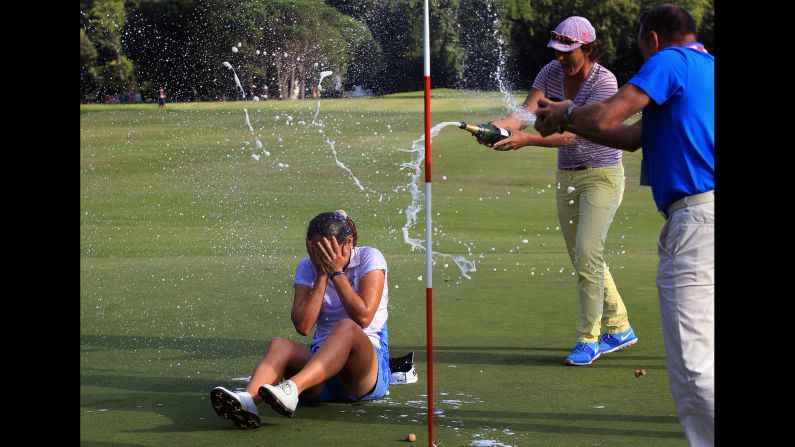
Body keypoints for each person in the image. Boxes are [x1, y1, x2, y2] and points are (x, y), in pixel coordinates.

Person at [534, 4, 713, 446]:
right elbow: (633, 138)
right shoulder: (706, 68)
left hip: (697, 218)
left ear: (651, 39)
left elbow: (605, 117)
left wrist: (565, 114)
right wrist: (569, 122)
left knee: (693, 365)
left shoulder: (670, 61)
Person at [483, 16, 638, 366]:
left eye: (568, 52)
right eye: (557, 51)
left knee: (587, 253)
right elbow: (525, 113)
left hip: (602, 174)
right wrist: (495, 127)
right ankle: (621, 327)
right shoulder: (550, 73)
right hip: (566, 175)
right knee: (585, 256)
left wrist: (526, 140)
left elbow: (576, 134)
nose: (561, 58)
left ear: (588, 48)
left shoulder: (605, 82)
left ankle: (589, 339)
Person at [210, 210, 391, 429]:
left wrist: (336, 272)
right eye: (316, 250)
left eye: (328, 250)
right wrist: (322, 275)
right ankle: (248, 401)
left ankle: (291, 389)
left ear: (349, 242)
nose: (322, 257)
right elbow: (303, 326)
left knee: (347, 327)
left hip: (362, 374)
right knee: (280, 344)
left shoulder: (370, 257)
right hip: (319, 373)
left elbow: (363, 317)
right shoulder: (308, 267)